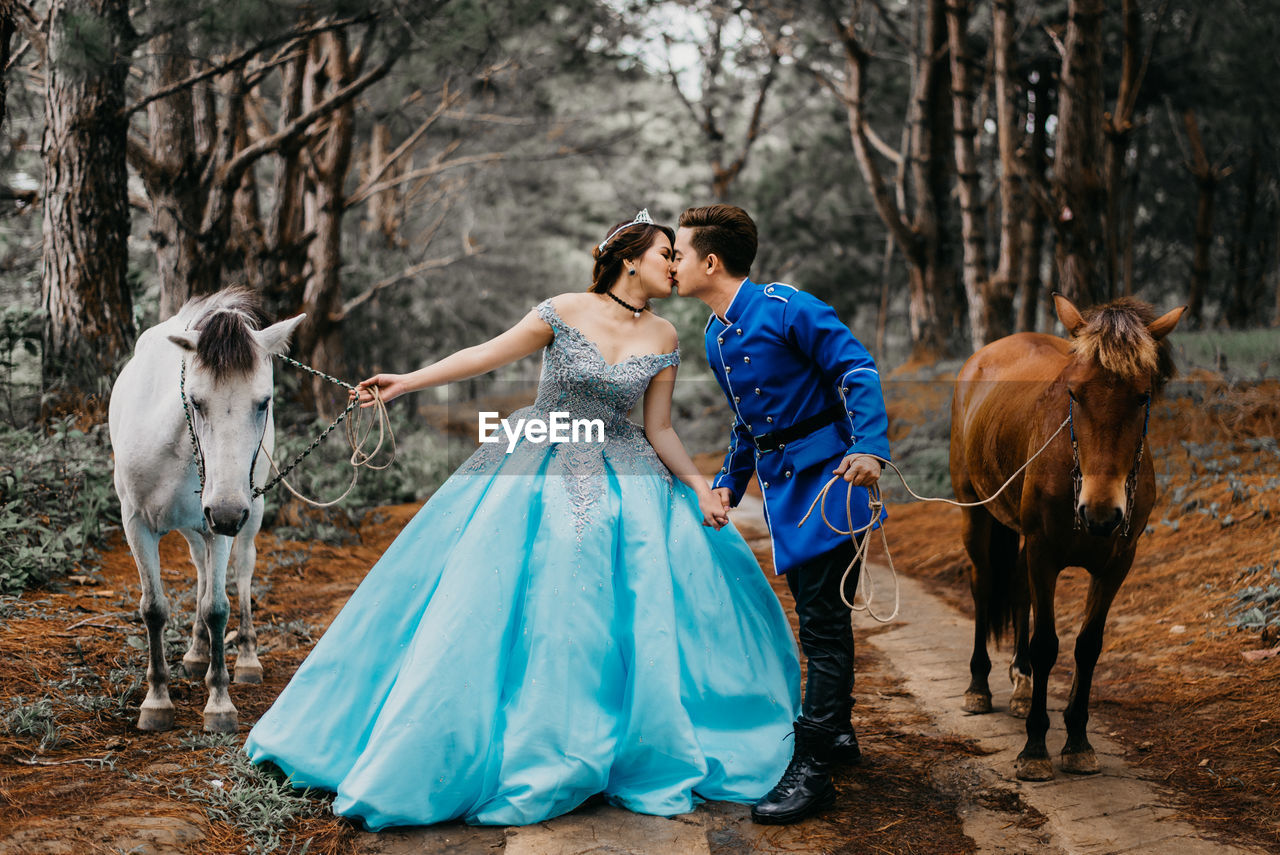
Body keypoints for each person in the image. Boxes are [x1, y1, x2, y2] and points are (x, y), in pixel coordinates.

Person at [243, 211, 801, 829]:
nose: (676, 264)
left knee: (633, 604)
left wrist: (697, 486)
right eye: (666, 253)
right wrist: (406, 384)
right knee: (518, 592)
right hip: (540, 458)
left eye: (678, 255)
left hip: (630, 474)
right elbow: (485, 356)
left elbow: (659, 427)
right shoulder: (564, 309)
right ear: (630, 258)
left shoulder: (667, 335)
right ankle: (515, 743)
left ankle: (621, 742)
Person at [668, 204, 891, 825]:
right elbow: (749, 424)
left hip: (831, 478)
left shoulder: (788, 307)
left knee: (820, 621)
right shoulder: (716, 335)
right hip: (782, 488)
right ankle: (838, 733)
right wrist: (727, 489)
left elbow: (857, 368)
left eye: (678, 254)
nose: (671, 265)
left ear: (710, 261)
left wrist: (870, 446)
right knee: (821, 614)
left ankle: (814, 769)